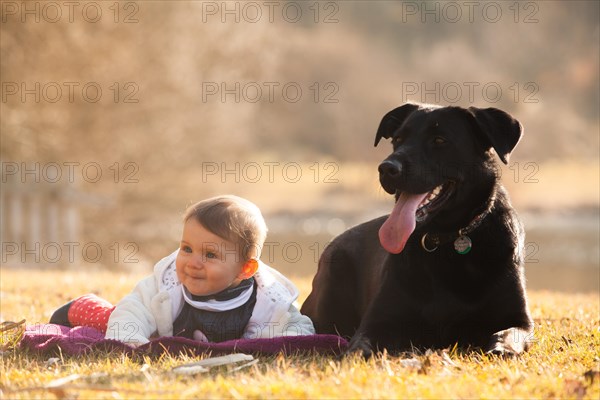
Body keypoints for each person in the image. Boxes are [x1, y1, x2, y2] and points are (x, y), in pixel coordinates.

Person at [49, 195, 315, 345]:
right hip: (156, 330)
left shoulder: (267, 300)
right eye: (186, 248)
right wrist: (130, 342)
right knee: (116, 317)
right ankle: (86, 305)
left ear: (245, 269)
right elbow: (135, 309)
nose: (192, 262)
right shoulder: (168, 283)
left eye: (210, 254)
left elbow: (298, 325)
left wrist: (289, 343)